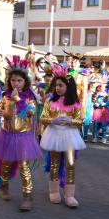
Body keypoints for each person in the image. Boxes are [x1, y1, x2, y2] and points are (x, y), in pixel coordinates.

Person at [0, 56, 42, 211]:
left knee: (24, 167)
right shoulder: (6, 96)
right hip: (7, 136)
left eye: (19, 81)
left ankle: (27, 196)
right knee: (6, 165)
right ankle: (4, 188)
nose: (16, 83)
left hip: (23, 138)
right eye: (13, 80)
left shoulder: (29, 97)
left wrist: (21, 101)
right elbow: (0, 110)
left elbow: (31, 112)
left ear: (25, 82)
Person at [40, 65, 86, 208]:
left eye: (60, 85)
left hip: (69, 136)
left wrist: (71, 121)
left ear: (69, 86)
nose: (57, 88)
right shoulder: (50, 101)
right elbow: (43, 117)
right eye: (55, 85)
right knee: (54, 163)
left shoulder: (75, 104)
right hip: (54, 134)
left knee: (70, 164)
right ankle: (53, 192)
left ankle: (69, 195)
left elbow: (80, 121)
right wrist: (52, 120)